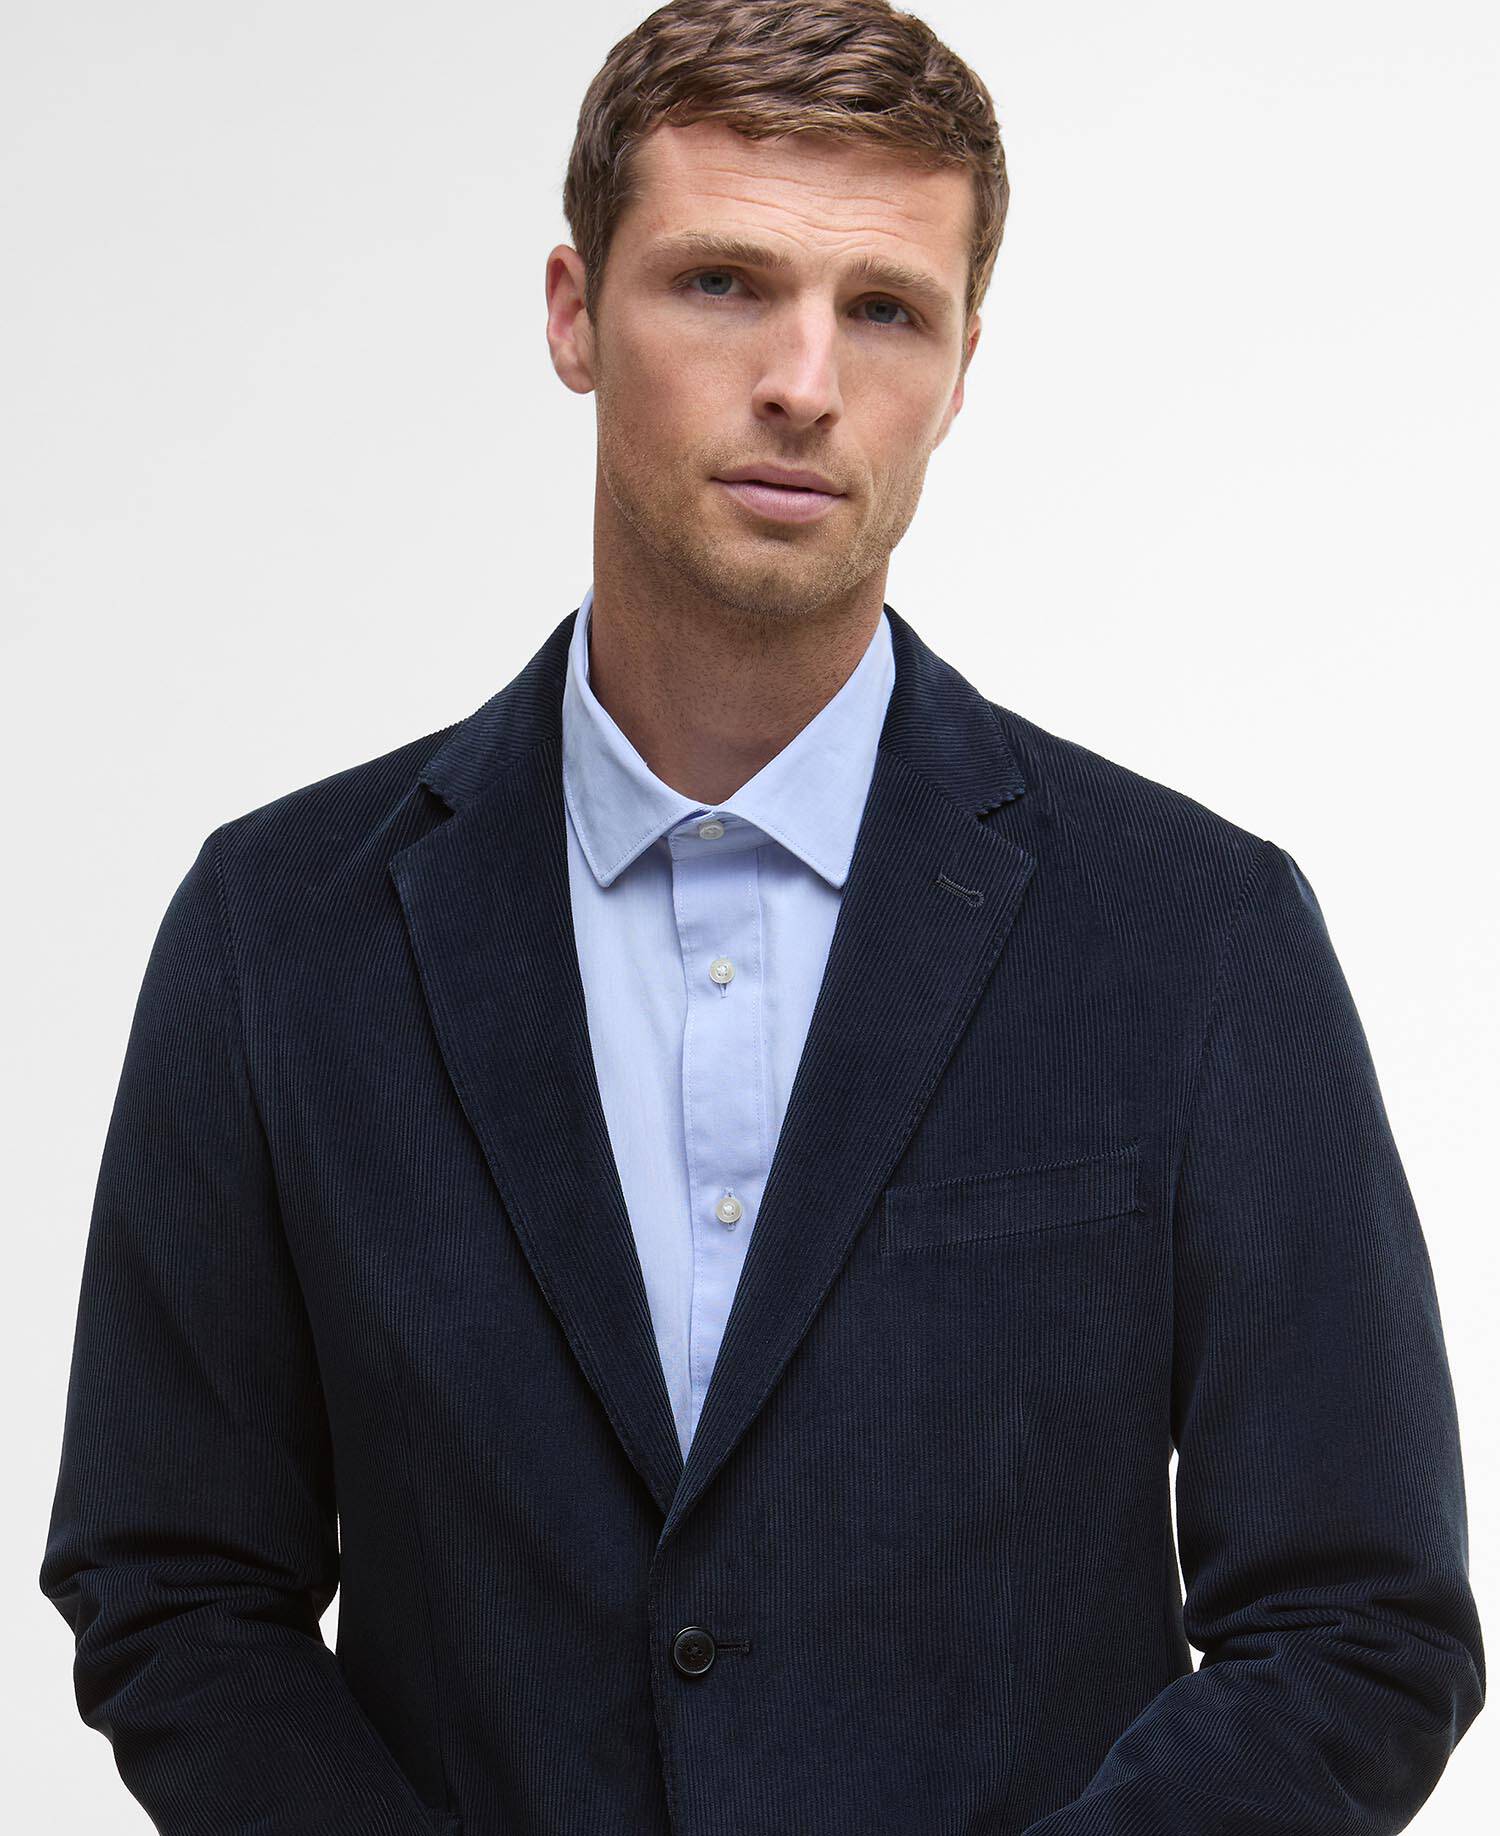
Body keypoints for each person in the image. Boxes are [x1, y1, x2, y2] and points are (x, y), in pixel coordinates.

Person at [39, 2, 1483, 1832]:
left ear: (961, 369)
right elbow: (176, 1583)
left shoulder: (1198, 935)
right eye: (722, 283)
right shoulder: (280, 931)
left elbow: (1358, 1623)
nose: (805, 379)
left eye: (885, 309)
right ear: (574, 313)